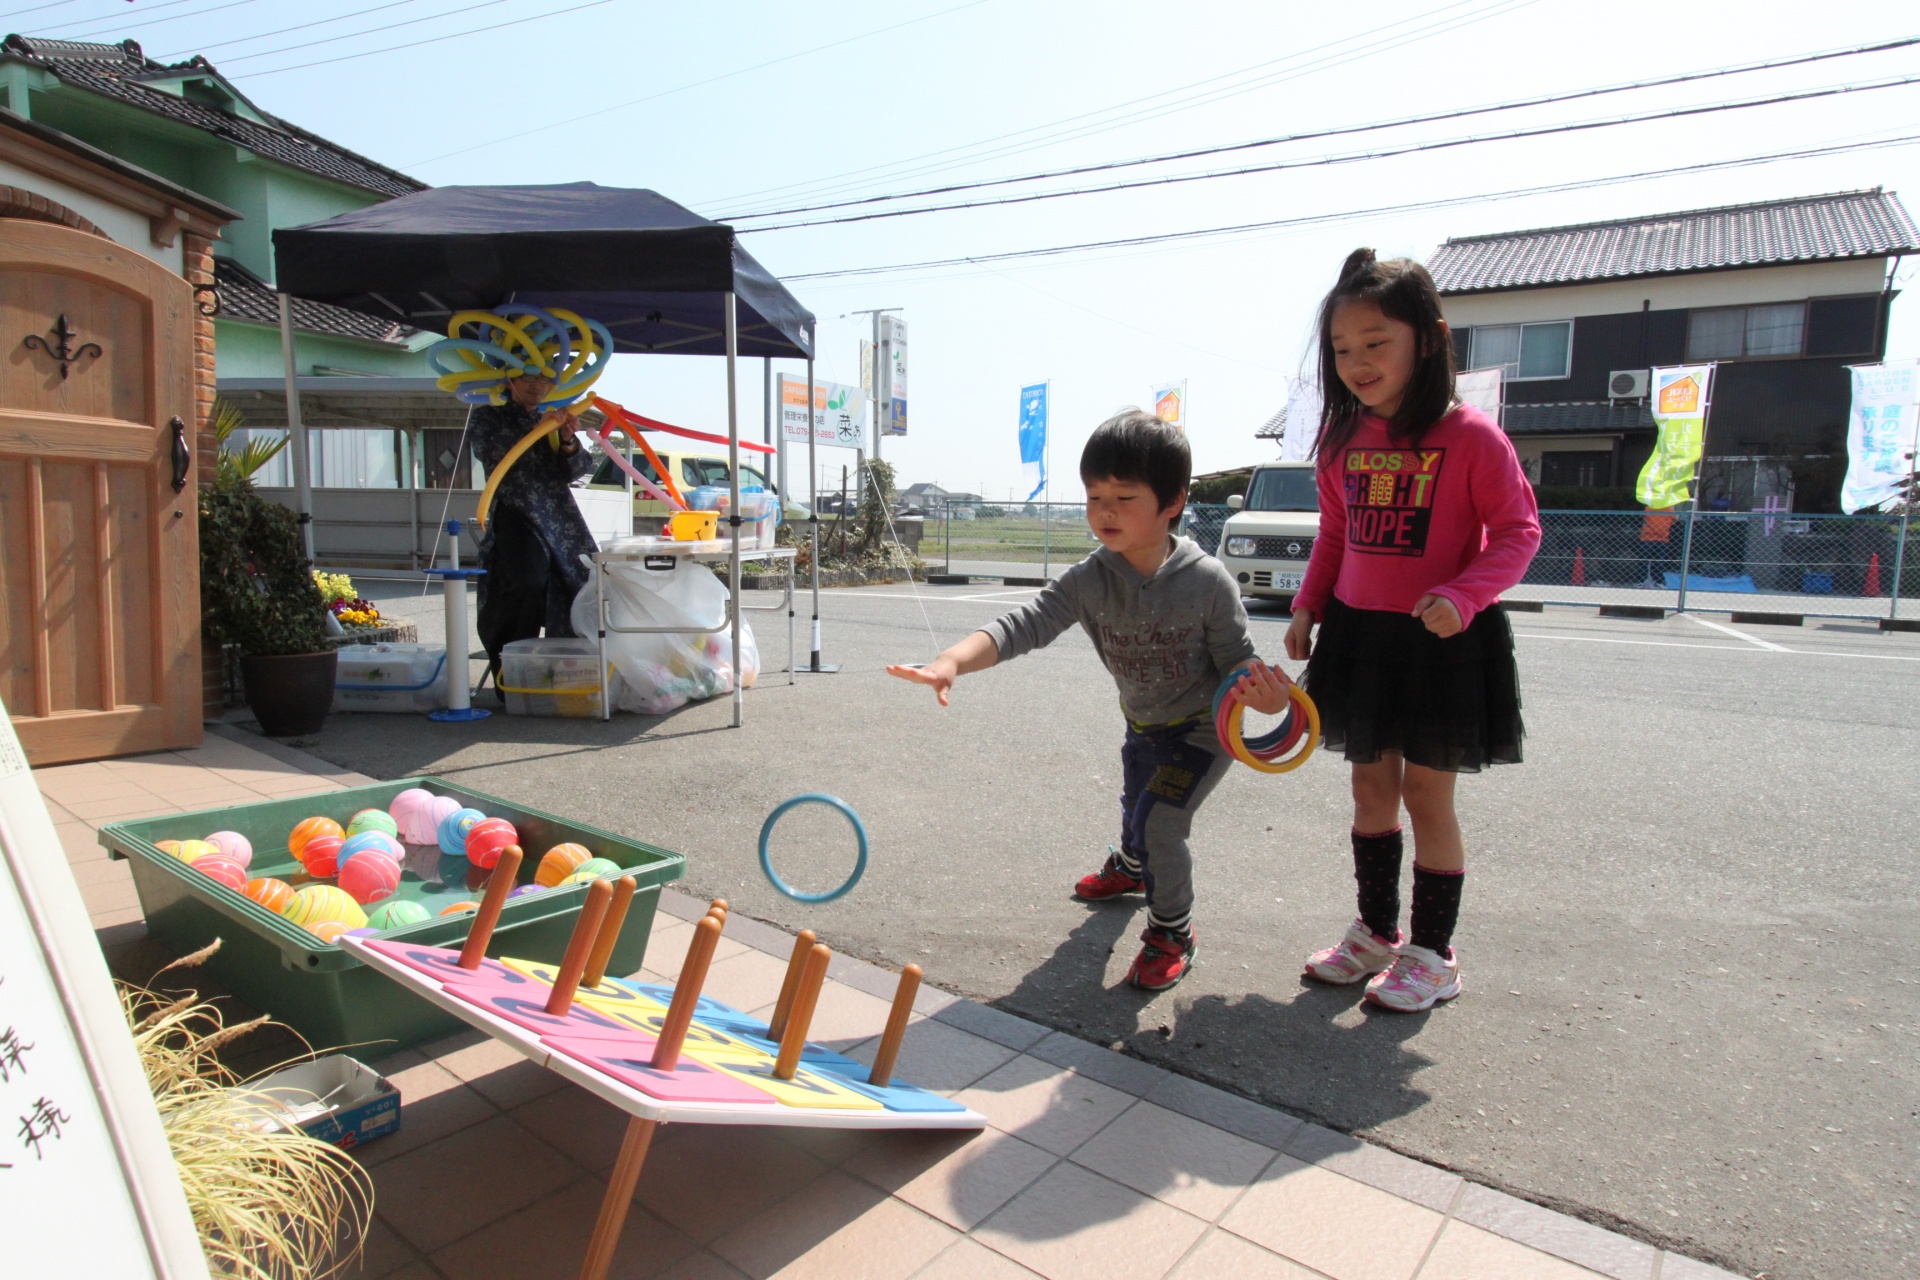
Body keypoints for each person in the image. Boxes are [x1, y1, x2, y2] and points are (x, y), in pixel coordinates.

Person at [889, 411, 1286, 991]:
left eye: (1125, 497)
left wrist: (1271, 702)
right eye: (1095, 495)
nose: (1105, 510)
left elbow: (1239, 666)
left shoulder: (1208, 582)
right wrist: (950, 661)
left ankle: (1172, 931)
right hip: (1143, 723)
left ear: (1173, 502)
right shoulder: (1089, 578)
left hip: (1202, 732)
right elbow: (1025, 623)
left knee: (1160, 822)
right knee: (1137, 804)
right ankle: (1130, 867)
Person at [1274, 248, 1541, 1013]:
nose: (1356, 362)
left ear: (1427, 337)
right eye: (1341, 348)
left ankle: (1434, 954)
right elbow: (1335, 534)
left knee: (1427, 797)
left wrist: (1465, 593)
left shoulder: (1473, 437)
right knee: (1368, 788)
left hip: (1442, 642)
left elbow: (1519, 533)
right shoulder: (1339, 439)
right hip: (1359, 636)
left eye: (1374, 342)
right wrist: (1307, 606)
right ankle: (1375, 933)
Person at [469, 372, 598, 699]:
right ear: (509, 381)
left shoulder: (556, 416)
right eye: (528, 378)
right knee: (525, 584)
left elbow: (575, 470)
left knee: (582, 584)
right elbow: (491, 452)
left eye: (544, 379)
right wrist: (538, 426)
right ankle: (512, 673)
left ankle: (568, 671)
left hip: (558, 516)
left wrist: (568, 439)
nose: (537, 386)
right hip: (515, 510)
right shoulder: (489, 416)